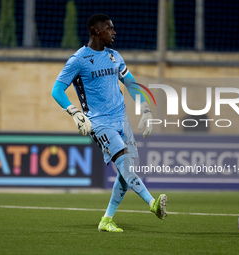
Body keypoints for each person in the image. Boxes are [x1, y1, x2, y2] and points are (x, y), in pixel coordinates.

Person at [52, 13, 167, 232]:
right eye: (109, 28)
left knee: (126, 170)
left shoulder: (115, 56)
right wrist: (75, 113)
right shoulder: (78, 59)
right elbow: (57, 90)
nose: (114, 32)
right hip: (99, 122)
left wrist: (144, 108)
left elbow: (131, 83)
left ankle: (106, 219)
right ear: (96, 31)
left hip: (121, 119)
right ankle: (152, 203)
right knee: (124, 163)